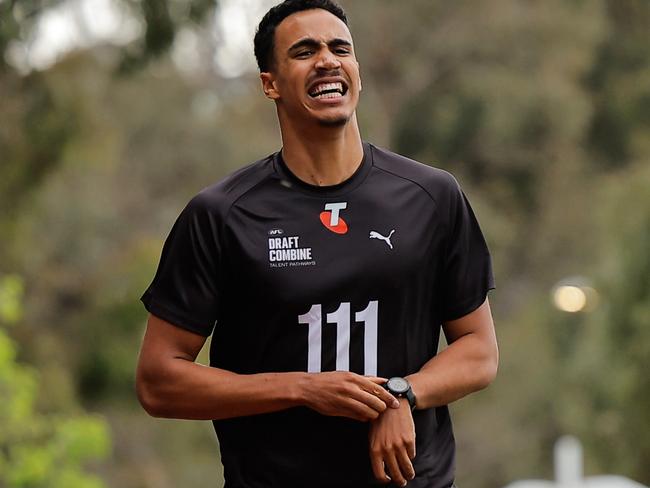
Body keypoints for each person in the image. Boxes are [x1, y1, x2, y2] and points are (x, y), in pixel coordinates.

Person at [135, 1, 498, 487]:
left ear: (357, 72)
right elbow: (158, 382)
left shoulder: (432, 196)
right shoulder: (221, 215)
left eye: (340, 48)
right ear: (271, 84)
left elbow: (479, 350)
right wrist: (302, 389)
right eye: (305, 51)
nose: (327, 60)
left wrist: (402, 395)